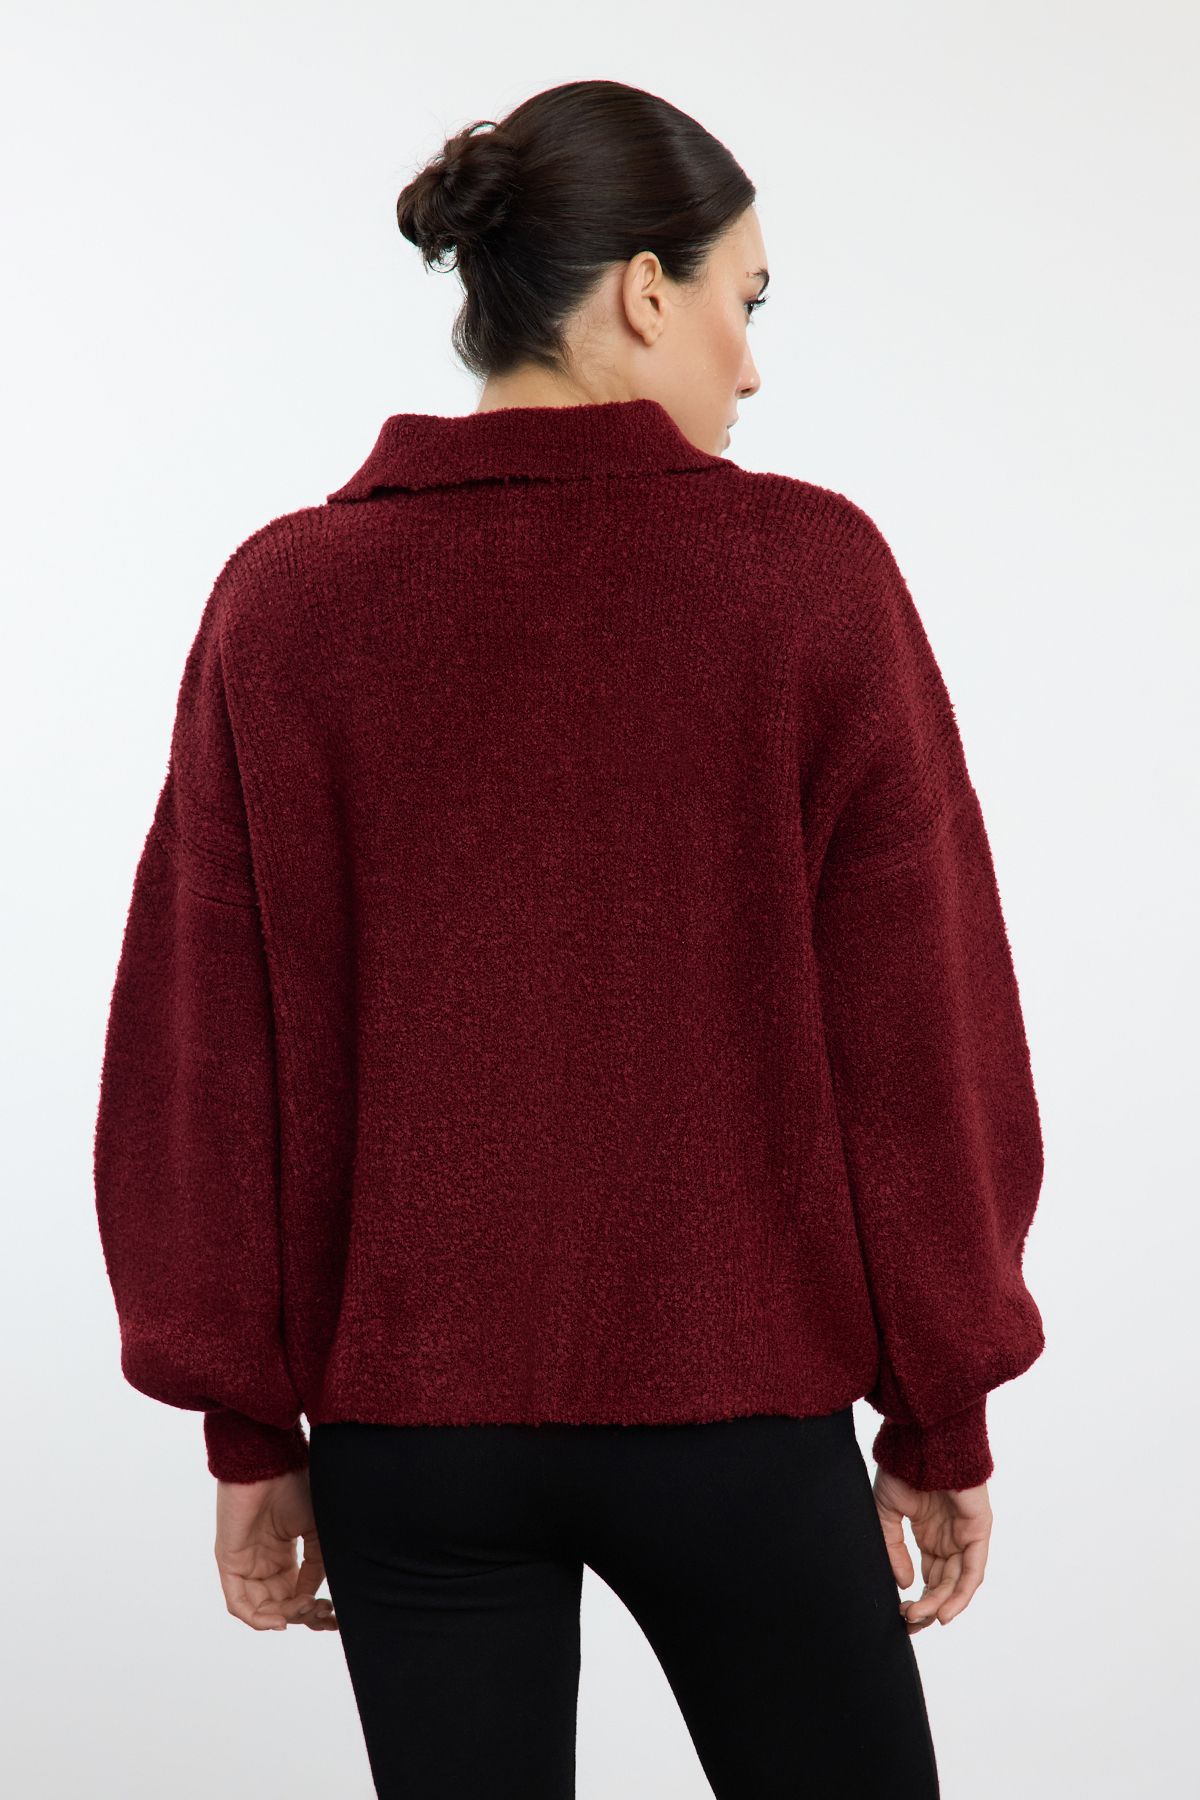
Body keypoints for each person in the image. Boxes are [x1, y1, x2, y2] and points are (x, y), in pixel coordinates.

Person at [92, 77, 1046, 1799]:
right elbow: (922, 1038)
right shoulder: (809, 578)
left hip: (409, 1437)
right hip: (739, 1413)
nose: (752, 366)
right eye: (747, 301)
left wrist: (251, 1429)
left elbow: (208, 1057)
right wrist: (942, 1404)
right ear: (645, 292)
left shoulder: (285, 602)